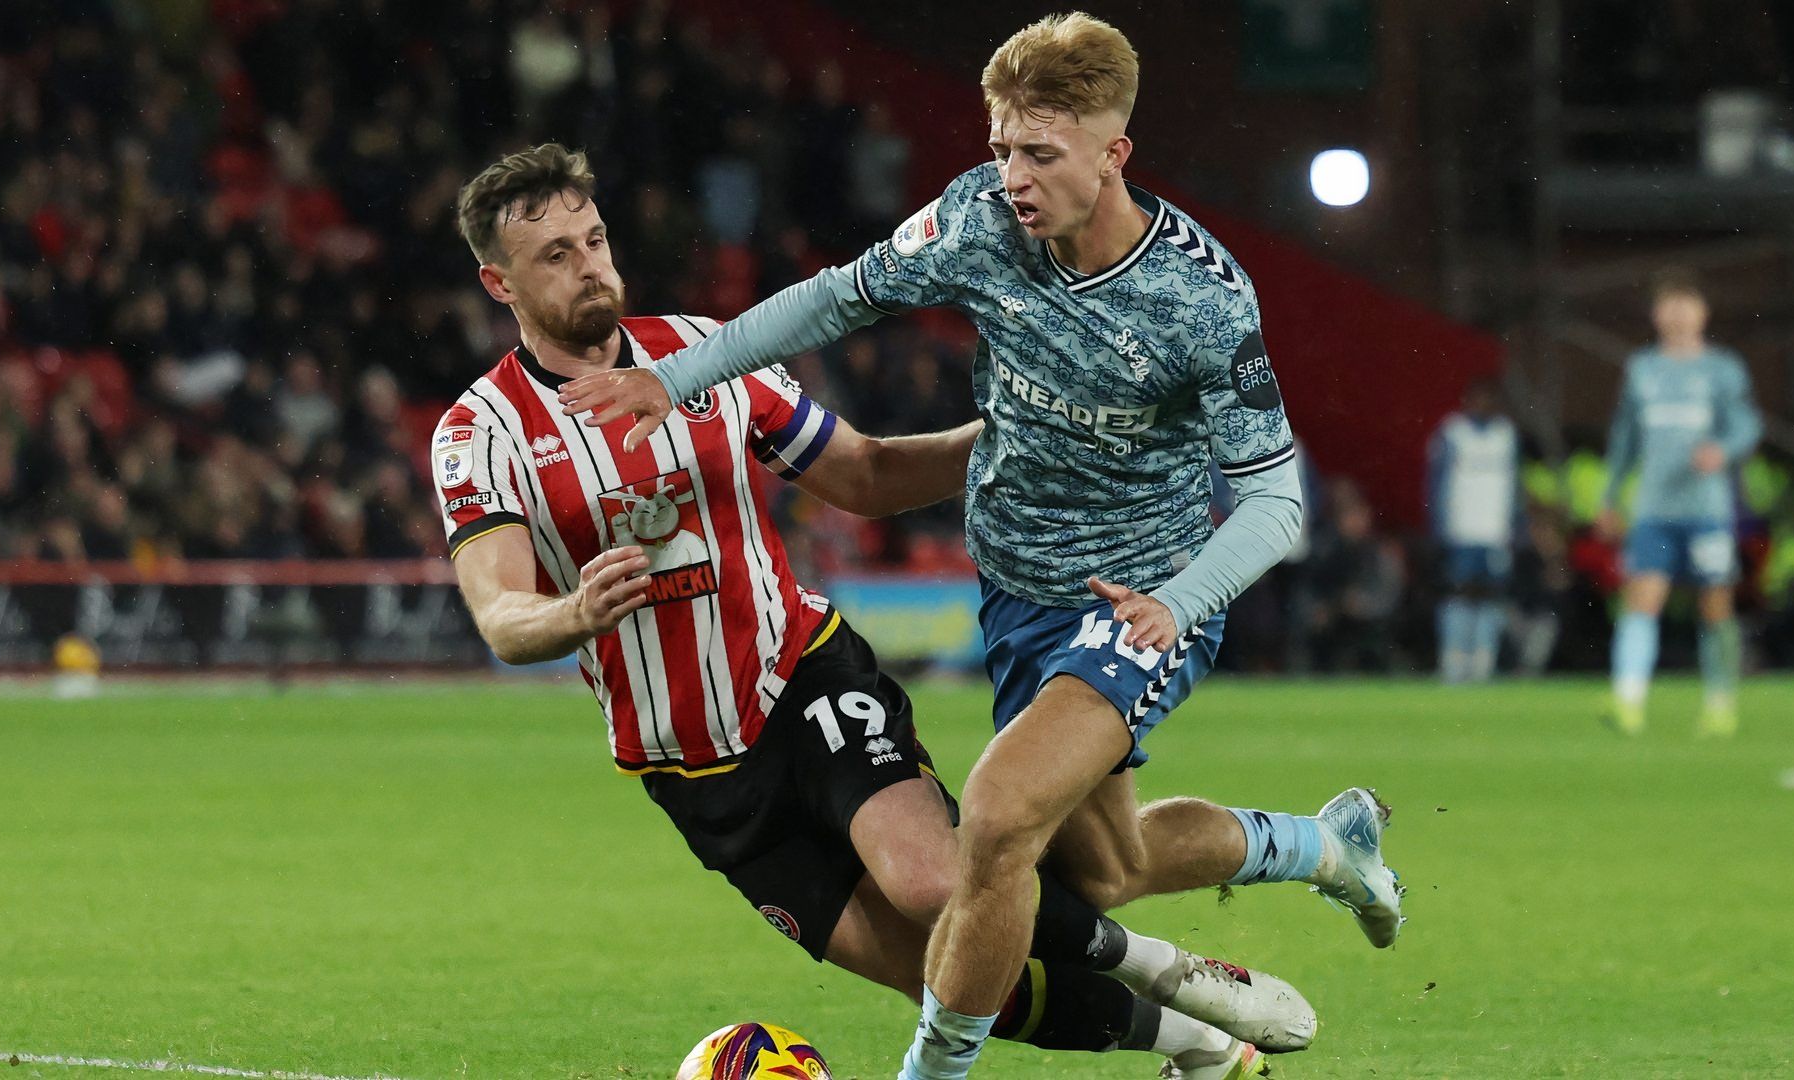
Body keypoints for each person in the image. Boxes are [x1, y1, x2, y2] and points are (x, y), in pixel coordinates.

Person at [555, 15, 1403, 1079]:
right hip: (1017, 593)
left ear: (1113, 155)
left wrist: (1176, 605)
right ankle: (1329, 848)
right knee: (1104, 866)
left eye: (1040, 153)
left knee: (996, 818)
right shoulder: (978, 216)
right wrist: (673, 379)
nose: (1013, 176)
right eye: (1002, 146)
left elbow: (1277, 502)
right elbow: (837, 298)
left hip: (1138, 600)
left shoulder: (1202, 298)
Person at [1596, 270, 1761, 736]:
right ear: (1656, 314)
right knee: (1641, 601)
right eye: (1670, 304)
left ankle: (1720, 703)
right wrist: (1609, 495)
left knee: (1715, 607)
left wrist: (1722, 450)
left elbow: (1746, 425)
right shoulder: (1642, 369)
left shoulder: (1723, 369)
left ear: (1702, 313)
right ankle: (1628, 702)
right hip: (1653, 510)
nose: (1678, 313)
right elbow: (1625, 438)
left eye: (1687, 304)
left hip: (1707, 511)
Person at [1427, 379, 1521, 683]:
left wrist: (1515, 527)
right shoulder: (1453, 433)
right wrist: (1438, 527)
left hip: (1494, 532)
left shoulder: (1505, 435)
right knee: (1459, 592)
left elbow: (1514, 486)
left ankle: (1483, 659)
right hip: (1461, 530)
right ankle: (1454, 658)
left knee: (1491, 594)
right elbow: (1436, 482)